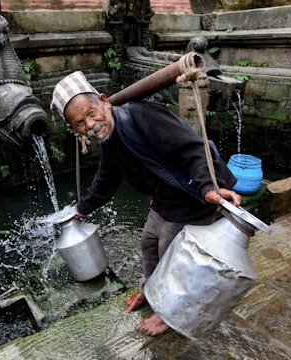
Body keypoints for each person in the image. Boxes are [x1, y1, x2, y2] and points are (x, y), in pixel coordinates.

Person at [50, 71, 241, 336]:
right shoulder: (109, 142)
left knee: (173, 255)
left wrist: (208, 187)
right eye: (79, 124)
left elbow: (195, 149)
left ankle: (168, 312)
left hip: (192, 193)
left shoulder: (142, 116)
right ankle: (149, 292)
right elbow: (105, 181)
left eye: (91, 113)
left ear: (103, 100)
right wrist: (82, 208)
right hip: (164, 198)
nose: (90, 125)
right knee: (149, 243)